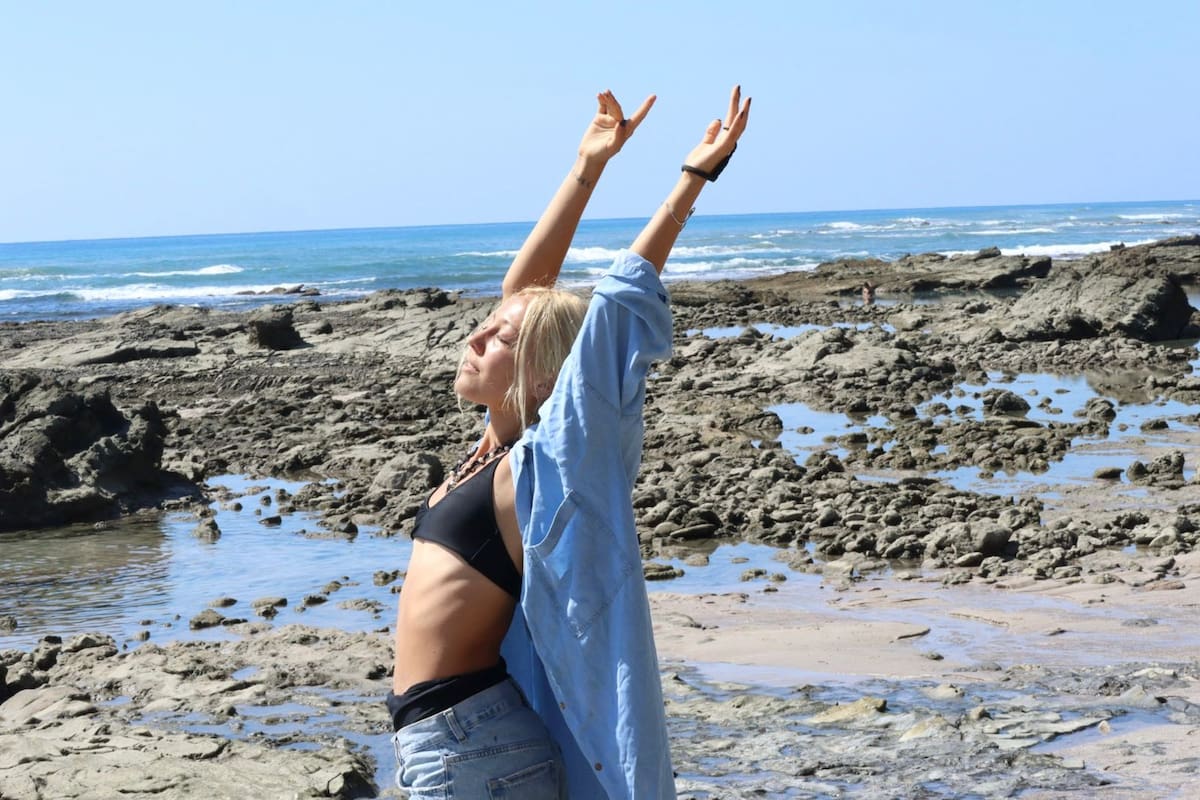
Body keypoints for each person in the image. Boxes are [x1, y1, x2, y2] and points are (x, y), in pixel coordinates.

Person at [389, 86, 751, 799]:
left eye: (498, 338)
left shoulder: (545, 460)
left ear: (545, 374)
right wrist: (588, 167)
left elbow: (613, 307)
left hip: (471, 749)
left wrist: (691, 180)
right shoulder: (492, 448)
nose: (474, 337)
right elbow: (525, 291)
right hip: (457, 741)